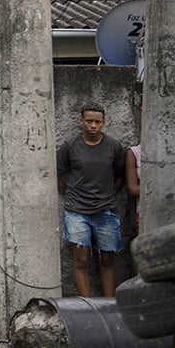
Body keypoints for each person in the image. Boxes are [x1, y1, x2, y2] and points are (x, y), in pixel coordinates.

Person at [57, 105, 125, 298]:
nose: (93, 125)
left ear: (104, 123)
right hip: (77, 212)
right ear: (81, 122)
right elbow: (60, 176)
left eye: (97, 122)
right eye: (89, 121)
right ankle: (86, 305)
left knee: (107, 259)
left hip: (106, 211)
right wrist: (72, 195)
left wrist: (108, 194)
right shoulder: (70, 146)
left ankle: (110, 303)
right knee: (81, 260)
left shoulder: (114, 146)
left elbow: (120, 176)